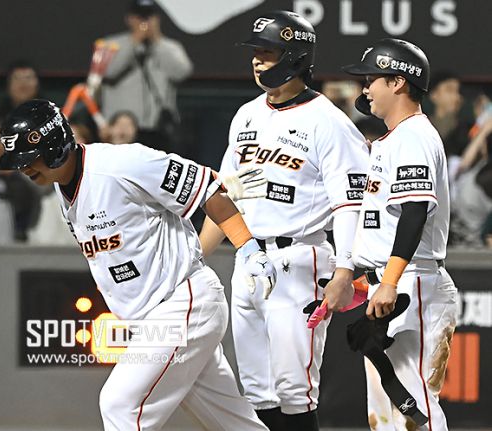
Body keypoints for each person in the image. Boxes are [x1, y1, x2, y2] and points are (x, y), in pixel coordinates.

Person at [0, 98, 274, 430]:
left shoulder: (121, 163)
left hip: (181, 303)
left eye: (29, 158)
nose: (24, 168)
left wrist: (249, 248)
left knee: (120, 405)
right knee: (233, 423)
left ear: (54, 145)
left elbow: (206, 189)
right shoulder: (61, 188)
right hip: (152, 319)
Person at [198, 11, 370, 431]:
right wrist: (196, 258)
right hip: (247, 258)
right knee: (257, 390)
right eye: (255, 52)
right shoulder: (246, 114)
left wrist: (345, 270)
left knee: (295, 391)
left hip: (299, 259)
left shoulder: (329, 121)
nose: (257, 60)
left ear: (295, 56)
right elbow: (224, 198)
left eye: (268, 52)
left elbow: (351, 204)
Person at [342, 38, 458, 431]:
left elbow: (414, 214)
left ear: (397, 82)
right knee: (386, 415)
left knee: (414, 409)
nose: (365, 89)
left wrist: (389, 281)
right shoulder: (395, 138)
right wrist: (367, 280)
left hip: (411, 282)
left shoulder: (414, 136)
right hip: (394, 281)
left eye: (371, 79)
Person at [99, 0, 192, 153]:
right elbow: (107, 71)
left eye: (149, 16)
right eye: (139, 16)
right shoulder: (112, 44)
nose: (144, 21)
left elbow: (182, 72)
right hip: (121, 132)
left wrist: (157, 41)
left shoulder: (169, 46)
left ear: (157, 19)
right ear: (129, 19)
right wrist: (135, 41)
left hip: (157, 130)